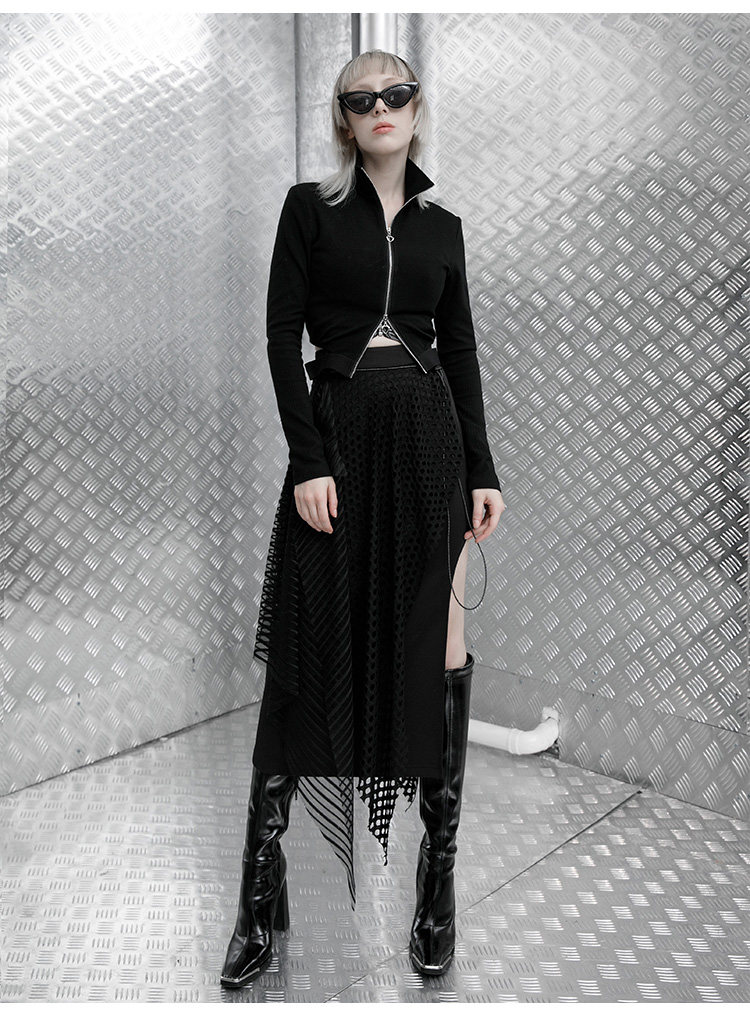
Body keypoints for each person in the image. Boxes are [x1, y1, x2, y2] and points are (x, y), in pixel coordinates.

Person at [221, 49, 505, 988]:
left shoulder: (442, 228)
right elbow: (280, 335)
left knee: (439, 648)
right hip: (340, 444)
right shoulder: (310, 209)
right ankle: (259, 889)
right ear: (343, 117)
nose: (381, 106)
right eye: (361, 98)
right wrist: (307, 457)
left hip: (428, 449)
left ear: (417, 109)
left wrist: (482, 471)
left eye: (396, 93)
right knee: (307, 648)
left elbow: (459, 351)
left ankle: (437, 885)